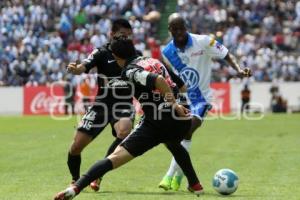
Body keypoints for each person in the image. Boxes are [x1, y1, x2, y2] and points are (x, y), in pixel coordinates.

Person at [54, 35, 203, 200]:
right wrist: (176, 104)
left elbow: (159, 80)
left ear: (116, 57)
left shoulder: (130, 70)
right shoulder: (152, 60)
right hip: (181, 122)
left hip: (157, 122)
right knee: (173, 143)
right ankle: (195, 184)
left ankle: (76, 187)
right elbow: (178, 85)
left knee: (115, 157)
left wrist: (173, 104)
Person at [159, 13, 252, 191]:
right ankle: (179, 177)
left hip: (201, 99)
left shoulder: (203, 41)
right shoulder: (167, 52)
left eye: (181, 27)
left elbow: (225, 54)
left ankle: (170, 175)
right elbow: (173, 78)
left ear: (186, 27)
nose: (179, 31)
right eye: (175, 28)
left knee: (186, 131)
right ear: (170, 30)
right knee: (181, 136)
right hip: (183, 99)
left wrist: (238, 69)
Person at [65, 18, 136, 191]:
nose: (126, 39)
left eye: (128, 36)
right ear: (111, 35)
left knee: (125, 130)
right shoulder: (101, 52)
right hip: (101, 105)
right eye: (122, 35)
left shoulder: (134, 53)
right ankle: (75, 179)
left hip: (123, 104)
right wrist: (76, 69)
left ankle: (99, 173)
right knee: (76, 147)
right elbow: (84, 66)